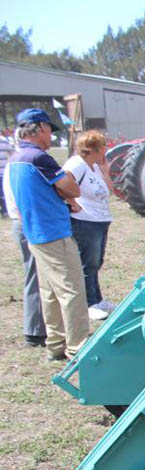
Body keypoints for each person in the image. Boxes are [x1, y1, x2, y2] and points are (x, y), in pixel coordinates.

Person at [7, 108, 89, 361]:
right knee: (72, 290)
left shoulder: (15, 158)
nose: (51, 137)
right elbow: (72, 189)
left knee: (50, 293)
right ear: (40, 128)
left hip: (34, 233)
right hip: (53, 232)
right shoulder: (40, 158)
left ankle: (56, 344)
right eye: (49, 131)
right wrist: (66, 194)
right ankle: (78, 348)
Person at [63, 131, 116, 321]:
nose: (106, 150)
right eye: (103, 146)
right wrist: (72, 202)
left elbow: (109, 189)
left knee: (96, 262)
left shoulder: (93, 167)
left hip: (100, 220)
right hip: (85, 221)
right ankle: (88, 304)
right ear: (93, 148)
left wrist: (105, 170)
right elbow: (62, 182)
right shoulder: (76, 164)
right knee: (87, 263)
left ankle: (97, 299)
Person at [3, 141, 47, 347]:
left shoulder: (14, 162)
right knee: (36, 275)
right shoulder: (23, 163)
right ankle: (35, 331)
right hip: (28, 222)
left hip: (23, 222)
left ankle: (39, 327)